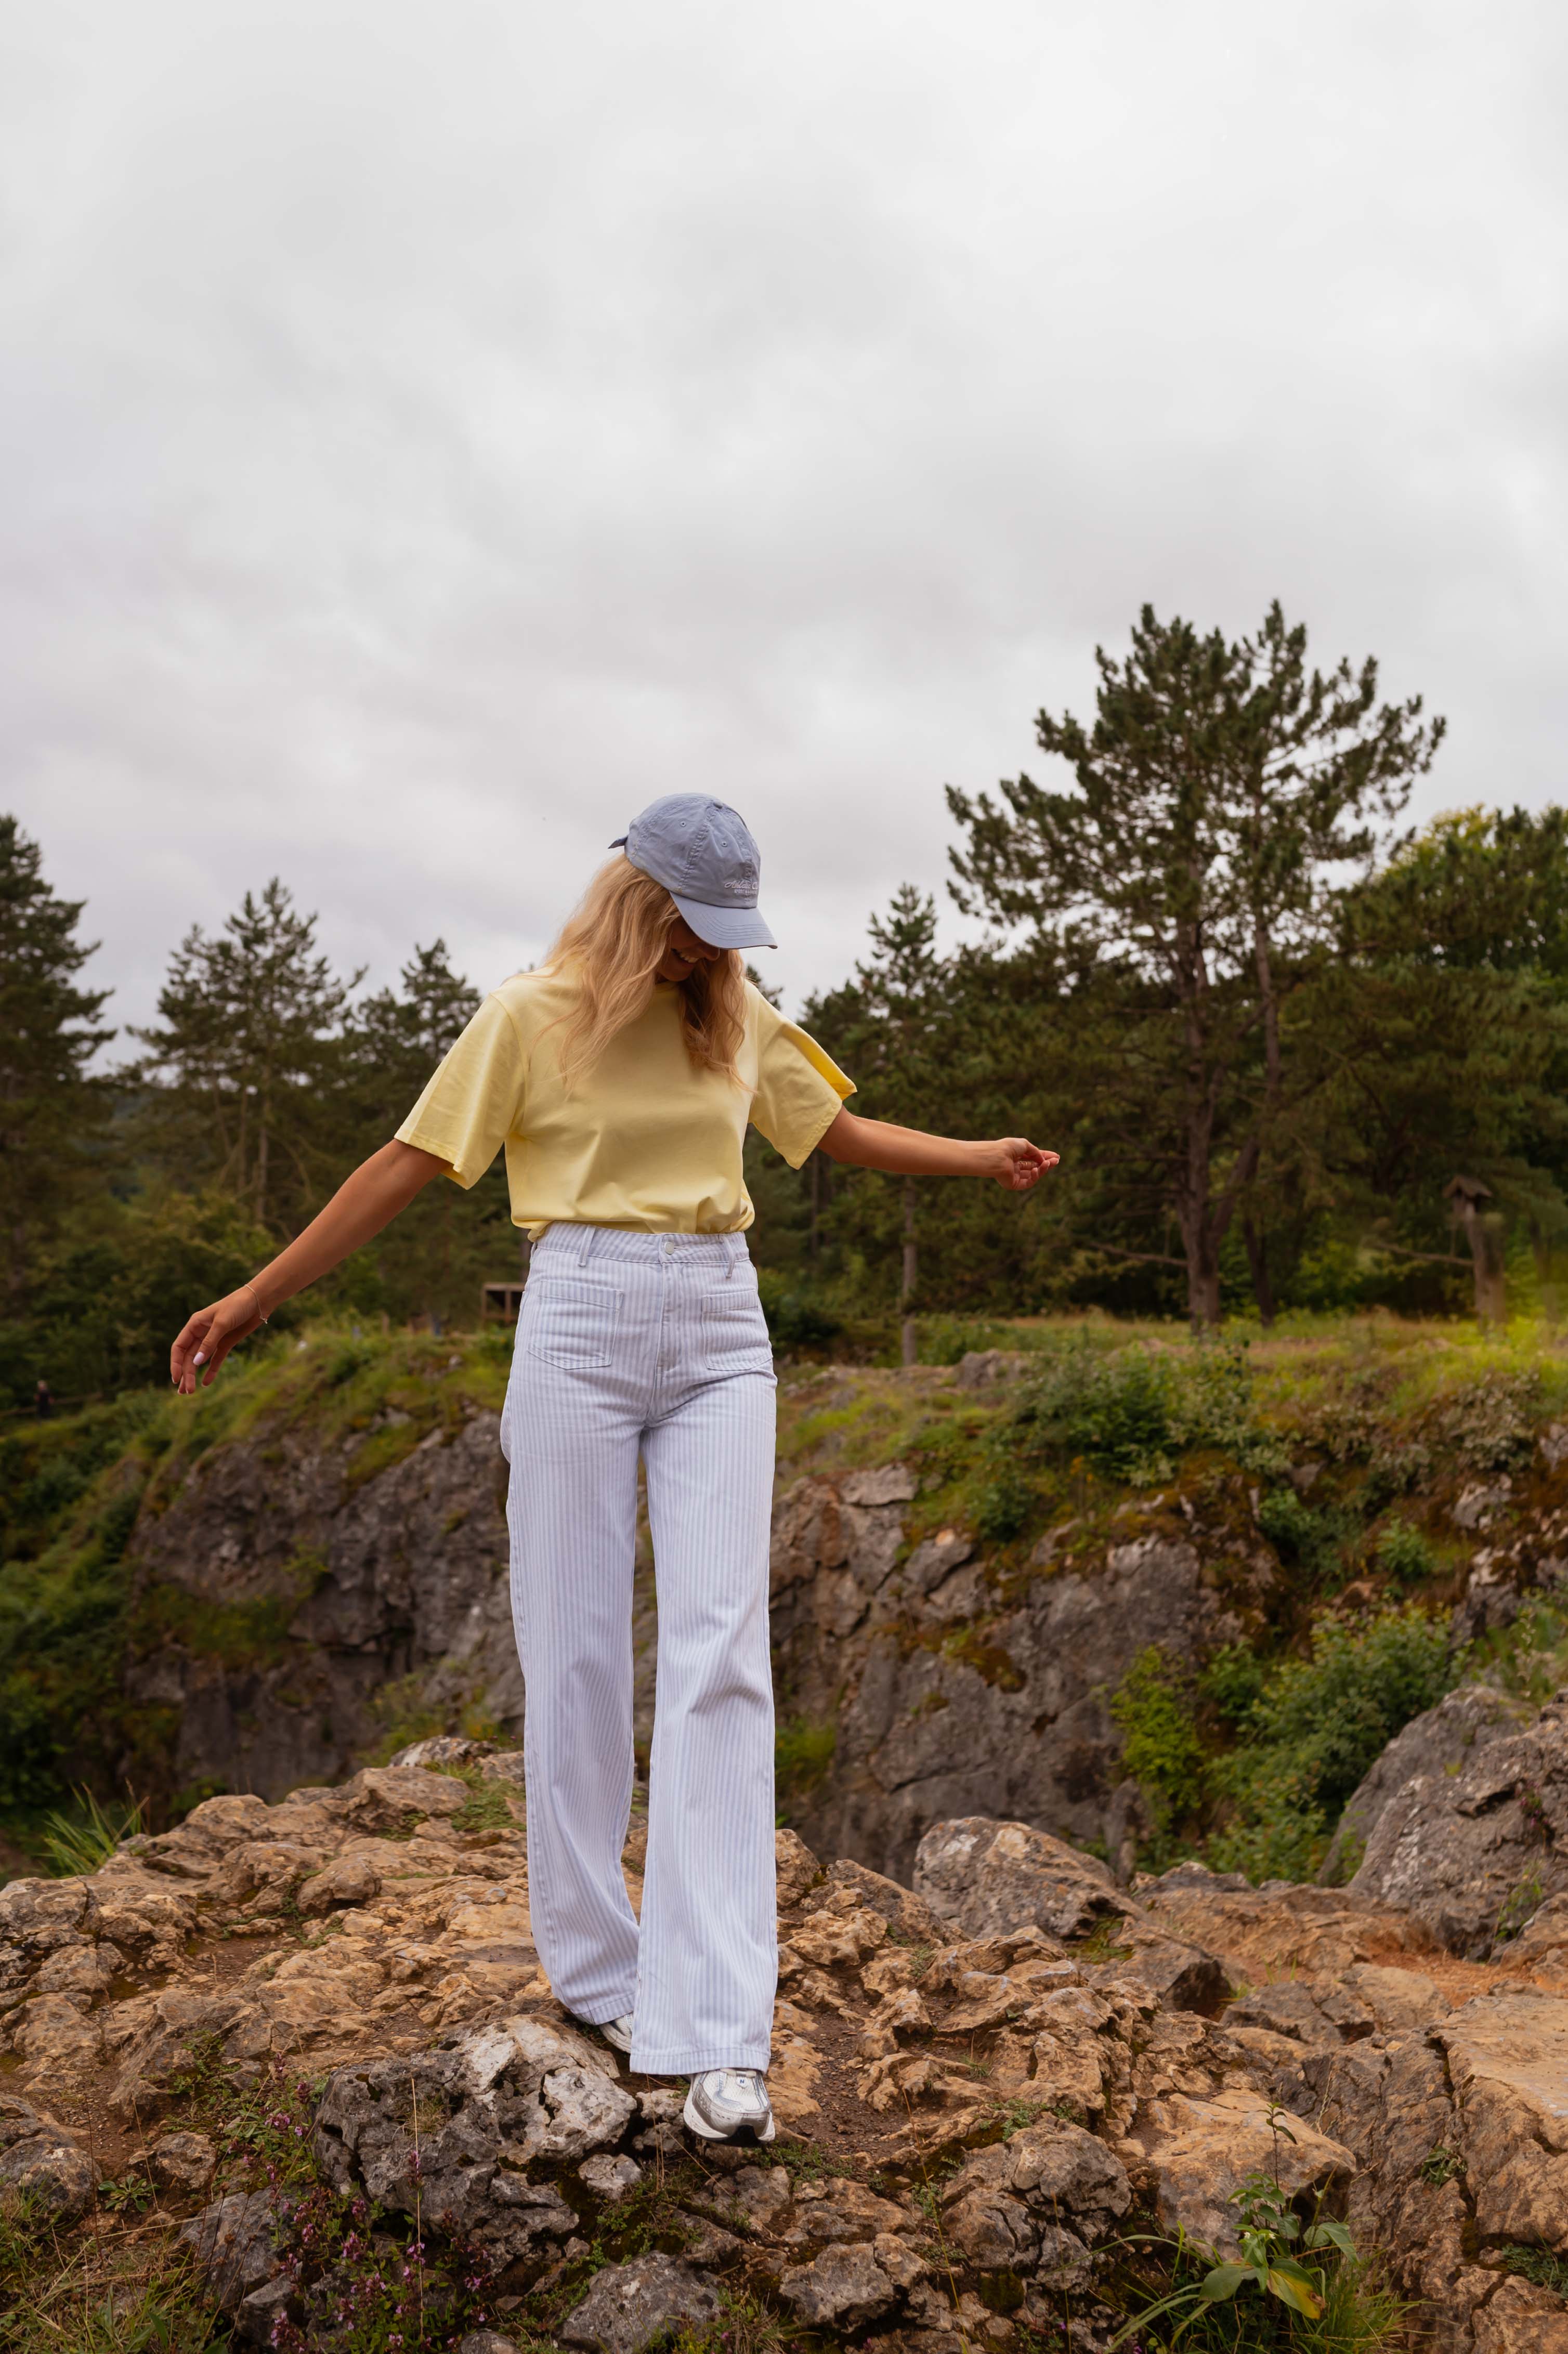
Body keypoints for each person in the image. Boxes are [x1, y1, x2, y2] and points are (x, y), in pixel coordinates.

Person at [169, 794, 1056, 2143]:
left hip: (718, 1323)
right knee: (574, 1653)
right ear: (647, 906)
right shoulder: (529, 1015)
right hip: (575, 1316)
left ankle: (717, 2031)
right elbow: (406, 1165)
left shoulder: (735, 1016)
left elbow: (832, 1133)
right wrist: (256, 1295)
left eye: (729, 936)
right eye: (699, 931)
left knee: (722, 1653)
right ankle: (600, 1973)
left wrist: (977, 1155)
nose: (715, 955)